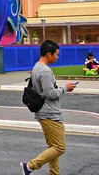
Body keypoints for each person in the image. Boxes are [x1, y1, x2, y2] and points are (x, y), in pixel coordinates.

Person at [21, 40, 77, 175]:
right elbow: (50, 94)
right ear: (48, 54)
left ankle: (54, 173)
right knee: (60, 147)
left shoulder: (37, 67)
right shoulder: (45, 71)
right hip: (49, 113)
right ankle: (29, 166)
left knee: (53, 147)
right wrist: (66, 88)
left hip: (43, 112)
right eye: (56, 55)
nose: (58, 57)